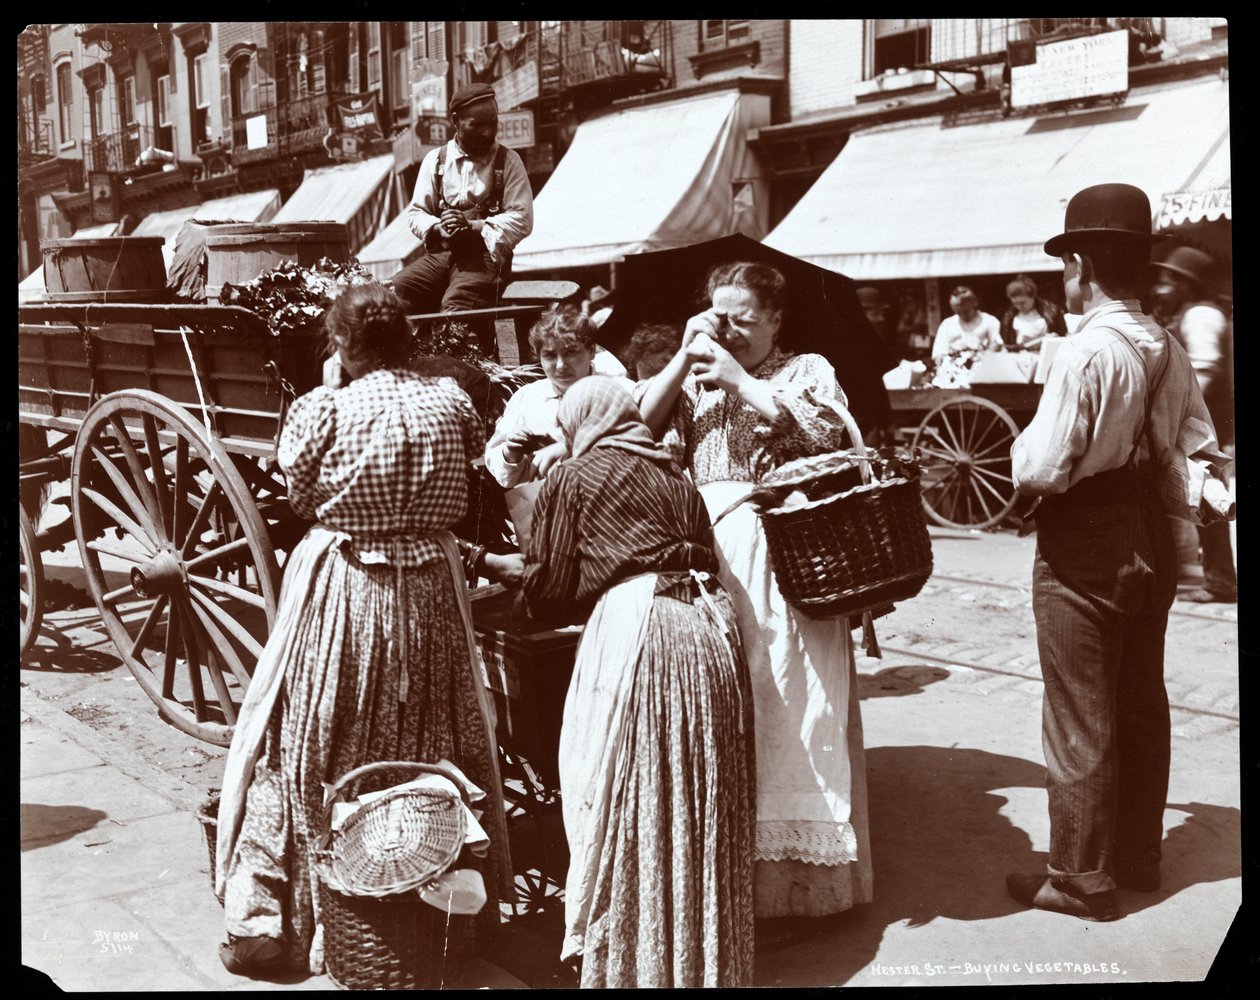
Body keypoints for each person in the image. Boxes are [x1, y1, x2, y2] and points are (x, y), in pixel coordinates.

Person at [215, 285, 512, 975]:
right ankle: (436, 901)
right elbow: (475, 461)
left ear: (343, 345)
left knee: (321, 734)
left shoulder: (326, 406)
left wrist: (334, 387)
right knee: (435, 729)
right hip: (433, 589)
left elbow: (296, 491)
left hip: (350, 583)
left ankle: (327, 918)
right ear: (406, 338)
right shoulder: (451, 401)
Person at [1007, 183, 1230, 921]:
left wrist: (1021, 449)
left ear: (1081, 264)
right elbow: (1198, 447)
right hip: (1151, 538)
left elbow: (1039, 468)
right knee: (1140, 701)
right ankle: (1137, 856)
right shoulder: (1162, 345)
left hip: (1086, 538)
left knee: (1078, 711)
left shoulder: (1084, 352)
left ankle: (1076, 878)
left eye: (1065, 265)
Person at [638, 261, 873, 923]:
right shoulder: (697, 379)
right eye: (721, 319)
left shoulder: (805, 370)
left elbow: (833, 438)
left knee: (792, 709)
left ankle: (800, 896)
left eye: (744, 320)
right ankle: (735, 884)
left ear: (775, 318)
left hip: (788, 569)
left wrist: (742, 380)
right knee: (728, 712)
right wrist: (685, 356)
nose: (731, 334)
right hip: (714, 572)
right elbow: (637, 430)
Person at [521, 377, 755, 987]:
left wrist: (513, 576)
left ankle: (637, 958)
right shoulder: (678, 476)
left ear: (580, 425)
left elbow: (547, 591)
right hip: (710, 631)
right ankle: (704, 957)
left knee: (628, 791)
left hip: (642, 630)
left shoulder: (572, 479)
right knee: (699, 793)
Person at [390, 83, 533, 315]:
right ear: (455, 121)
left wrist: (473, 226)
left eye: (493, 122)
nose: (488, 132)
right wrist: (438, 228)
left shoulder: (509, 161)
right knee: (391, 295)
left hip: (486, 258)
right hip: (440, 257)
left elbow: (522, 219)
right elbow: (416, 213)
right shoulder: (435, 160)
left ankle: (453, 349)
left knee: (457, 308)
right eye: (477, 124)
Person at [1150, 245, 1236, 603]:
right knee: (1202, 495)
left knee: (1206, 495)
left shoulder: (1200, 315)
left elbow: (1204, 365)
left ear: (1189, 284)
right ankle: (1211, 575)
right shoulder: (1195, 312)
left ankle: (1219, 580)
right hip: (1205, 419)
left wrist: (1175, 411)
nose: (1161, 286)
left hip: (1205, 421)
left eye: (1170, 279)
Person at [484, 304, 634, 488]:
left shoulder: (624, 392)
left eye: (570, 352)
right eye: (550, 355)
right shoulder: (528, 398)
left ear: (592, 351)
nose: (561, 365)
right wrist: (510, 453)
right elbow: (502, 474)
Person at [931, 285, 1003, 361]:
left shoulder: (989, 321)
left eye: (966, 312)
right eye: (958, 313)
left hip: (983, 365)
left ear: (975, 304)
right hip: (953, 366)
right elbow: (938, 353)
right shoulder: (947, 324)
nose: (962, 316)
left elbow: (998, 346)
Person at [999, 273, 1068, 351]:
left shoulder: (1052, 312)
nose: (1019, 307)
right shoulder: (1008, 318)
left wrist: (1055, 338)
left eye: (1022, 303)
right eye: (1015, 303)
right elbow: (1006, 344)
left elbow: (1064, 335)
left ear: (1033, 297)